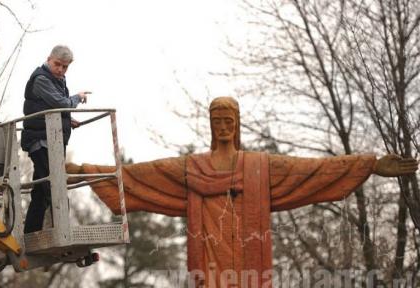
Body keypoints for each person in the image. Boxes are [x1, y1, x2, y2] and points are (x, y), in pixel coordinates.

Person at [66, 97, 418, 287]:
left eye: (228, 121)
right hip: (211, 261)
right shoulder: (193, 167)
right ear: (210, 125)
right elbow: (143, 175)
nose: (223, 127)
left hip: (249, 263)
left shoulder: (259, 167)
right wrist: (83, 172)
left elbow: (312, 169)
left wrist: (370, 164)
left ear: (237, 126)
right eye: (217, 121)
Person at [21, 45, 90, 234]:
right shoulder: (42, 78)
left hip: (51, 140)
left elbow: (54, 109)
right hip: (40, 140)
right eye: (57, 64)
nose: (60, 69)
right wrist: (77, 97)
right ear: (48, 59)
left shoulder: (57, 79)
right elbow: (61, 103)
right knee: (55, 186)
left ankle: (30, 233)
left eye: (65, 67)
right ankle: (64, 231)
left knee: (42, 191)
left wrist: (68, 121)